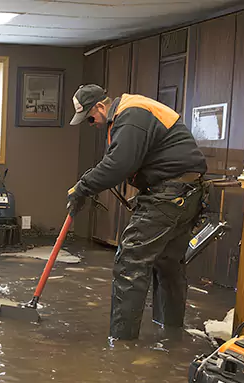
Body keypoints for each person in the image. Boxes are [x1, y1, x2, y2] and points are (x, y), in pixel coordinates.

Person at [67, 84, 207, 340]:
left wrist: (82, 188)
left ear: (101, 106)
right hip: (184, 192)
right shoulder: (133, 112)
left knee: (130, 260)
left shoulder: (131, 116)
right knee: (168, 263)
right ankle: (170, 334)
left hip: (170, 195)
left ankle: (120, 345)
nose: (92, 124)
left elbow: (118, 164)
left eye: (90, 117)